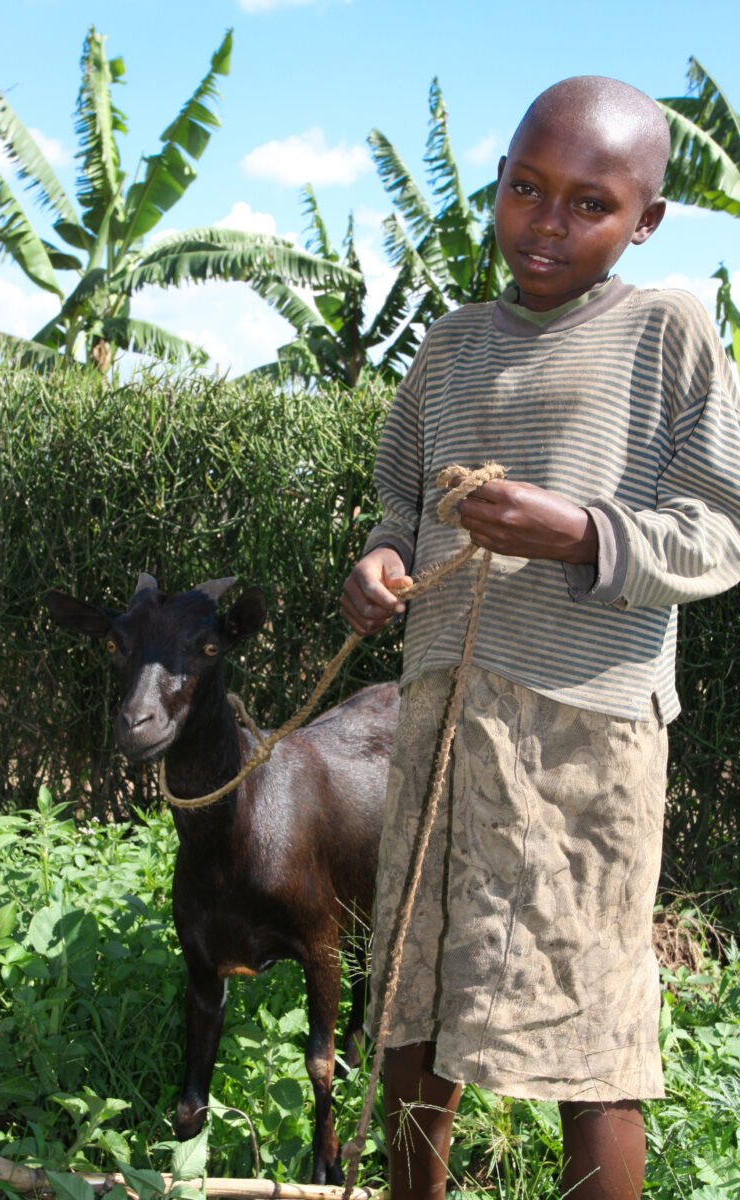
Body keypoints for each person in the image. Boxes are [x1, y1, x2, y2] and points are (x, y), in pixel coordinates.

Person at [341, 75, 740, 1200]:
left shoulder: (666, 330)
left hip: (581, 740)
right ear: (499, 183)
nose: (545, 223)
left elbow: (721, 528)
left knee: (586, 1030)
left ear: (643, 220)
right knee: (415, 1004)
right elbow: (395, 511)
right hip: (441, 722)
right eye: (524, 189)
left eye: (587, 204)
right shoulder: (449, 346)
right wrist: (376, 570)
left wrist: (580, 532)